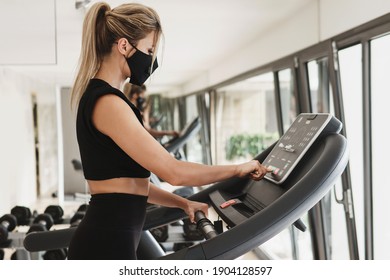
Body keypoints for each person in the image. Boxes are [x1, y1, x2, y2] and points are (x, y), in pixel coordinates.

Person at [68, 2, 272, 260]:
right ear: (124, 46)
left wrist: (182, 202)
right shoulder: (108, 103)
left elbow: (130, 184)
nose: (151, 60)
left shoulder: (105, 98)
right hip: (106, 241)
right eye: (149, 49)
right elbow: (173, 171)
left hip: (112, 233)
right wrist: (237, 168)